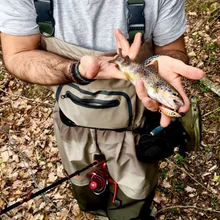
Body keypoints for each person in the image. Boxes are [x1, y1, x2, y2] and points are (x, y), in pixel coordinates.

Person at [0, 0, 204, 219]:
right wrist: (73, 70)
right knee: (87, 192)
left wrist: (161, 61)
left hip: (138, 131)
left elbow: (172, 49)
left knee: (134, 198)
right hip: (71, 129)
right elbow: (17, 54)